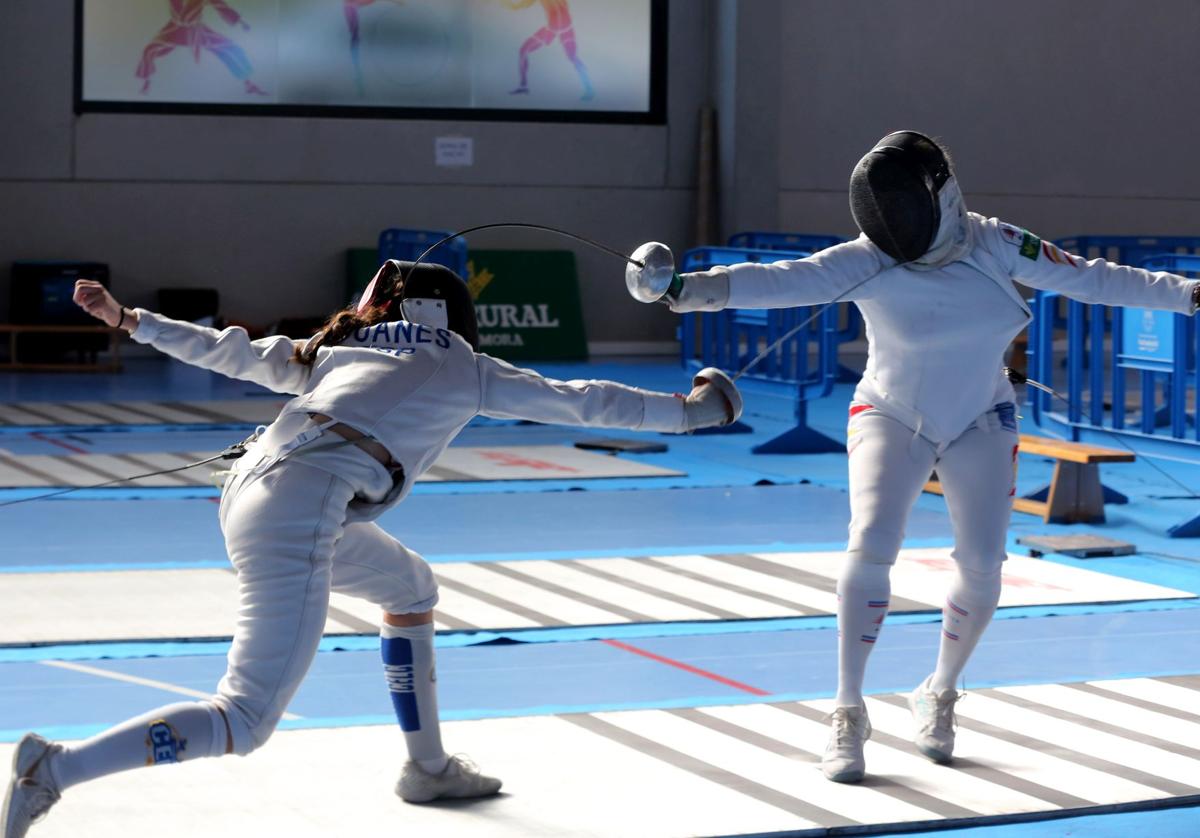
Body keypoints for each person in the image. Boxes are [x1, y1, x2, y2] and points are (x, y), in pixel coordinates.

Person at [2, 260, 742, 837]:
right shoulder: (461, 365)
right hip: (301, 506)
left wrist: (132, 320)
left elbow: (227, 352)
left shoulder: (336, 349)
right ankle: (56, 769)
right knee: (245, 718)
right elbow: (578, 400)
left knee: (410, 589)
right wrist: (691, 412)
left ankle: (428, 768)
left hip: (259, 493)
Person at [626, 130, 1200, 783]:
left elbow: (1092, 277)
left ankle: (939, 691)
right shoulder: (869, 257)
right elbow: (786, 280)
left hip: (983, 416)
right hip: (890, 413)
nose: (896, 231)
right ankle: (847, 709)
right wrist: (685, 289)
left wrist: (1186, 294)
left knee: (983, 564)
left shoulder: (998, 243)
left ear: (942, 198)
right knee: (870, 544)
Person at [136, 0, 267, 96]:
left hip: (197, 31)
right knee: (149, 50)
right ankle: (146, 81)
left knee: (231, 49)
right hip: (174, 30)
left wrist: (241, 22)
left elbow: (220, 6)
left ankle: (248, 83)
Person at [503, 0, 594, 101]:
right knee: (523, 51)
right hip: (551, 30)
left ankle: (589, 89)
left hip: (566, 29)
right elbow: (520, 5)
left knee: (573, 57)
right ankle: (523, 86)